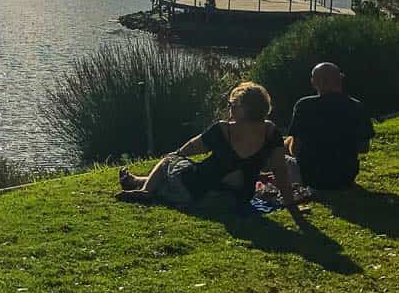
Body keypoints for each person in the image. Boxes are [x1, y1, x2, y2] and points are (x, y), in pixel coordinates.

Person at [117, 82, 301, 212]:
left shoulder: (224, 129)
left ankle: (145, 191)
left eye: (232, 105)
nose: (229, 108)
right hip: (236, 199)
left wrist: (177, 154)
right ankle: (139, 180)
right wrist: (290, 203)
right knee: (178, 174)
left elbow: (190, 147)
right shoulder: (271, 132)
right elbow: (280, 171)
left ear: (241, 108)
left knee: (169, 161)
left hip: (198, 190)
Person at [286, 63, 373, 190]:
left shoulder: (304, 105)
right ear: (340, 79)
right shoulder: (357, 106)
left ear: (313, 82)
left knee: (277, 158)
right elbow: (364, 148)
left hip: (311, 177)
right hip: (345, 177)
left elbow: (295, 150)